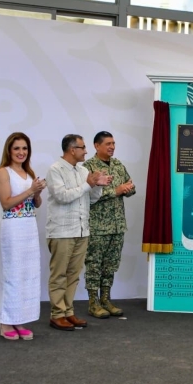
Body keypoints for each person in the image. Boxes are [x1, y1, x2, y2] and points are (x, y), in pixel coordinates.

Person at [46, 134, 111, 331]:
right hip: (62, 231)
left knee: (73, 275)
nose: (86, 151)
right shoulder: (55, 170)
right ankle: (57, 314)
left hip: (82, 230)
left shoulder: (83, 170)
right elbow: (62, 196)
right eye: (82, 148)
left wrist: (98, 186)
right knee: (59, 275)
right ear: (72, 150)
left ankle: (68, 311)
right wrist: (88, 184)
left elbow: (90, 199)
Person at [0, 132, 46, 341]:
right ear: (9, 150)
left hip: (28, 227)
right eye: (17, 148)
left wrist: (37, 193)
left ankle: (18, 319)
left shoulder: (29, 173)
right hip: (11, 228)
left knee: (26, 273)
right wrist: (30, 190)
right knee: (11, 273)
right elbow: (6, 203)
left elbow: (36, 204)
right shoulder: (2, 172)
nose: (21, 152)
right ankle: (5, 321)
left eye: (24, 148)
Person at [83, 131, 135, 318]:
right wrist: (116, 190)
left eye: (113, 143)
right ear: (96, 146)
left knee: (110, 265)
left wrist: (128, 189)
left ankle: (106, 299)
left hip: (117, 225)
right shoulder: (88, 167)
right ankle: (93, 302)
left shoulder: (118, 165)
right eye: (108, 144)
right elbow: (86, 196)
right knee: (94, 265)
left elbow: (130, 187)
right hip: (98, 226)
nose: (112, 147)